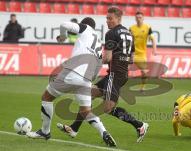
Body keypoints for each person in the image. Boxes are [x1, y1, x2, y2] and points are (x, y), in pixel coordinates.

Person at [57, 7, 149, 144]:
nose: (107, 21)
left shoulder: (111, 33)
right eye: (106, 18)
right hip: (120, 74)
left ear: (118, 19)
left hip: (114, 74)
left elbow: (106, 58)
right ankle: (74, 128)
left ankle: (139, 125)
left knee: (107, 108)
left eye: (110, 18)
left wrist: (94, 58)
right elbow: (131, 59)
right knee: (88, 95)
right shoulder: (129, 34)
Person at [26, 17, 117, 147]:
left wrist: (62, 37)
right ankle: (104, 132)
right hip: (87, 78)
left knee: (46, 97)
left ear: (84, 24)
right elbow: (98, 66)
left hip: (73, 72)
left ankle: (45, 132)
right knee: (85, 110)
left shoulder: (85, 28)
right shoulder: (98, 43)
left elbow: (63, 24)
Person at [129, 11, 156, 92]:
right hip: (132, 54)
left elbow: (153, 39)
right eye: (137, 18)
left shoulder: (147, 28)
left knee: (144, 73)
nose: (138, 19)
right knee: (123, 70)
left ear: (143, 18)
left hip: (141, 55)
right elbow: (128, 40)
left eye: (140, 17)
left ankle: (142, 87)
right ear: (135, 19)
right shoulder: (131, 28)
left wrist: (154, 49)